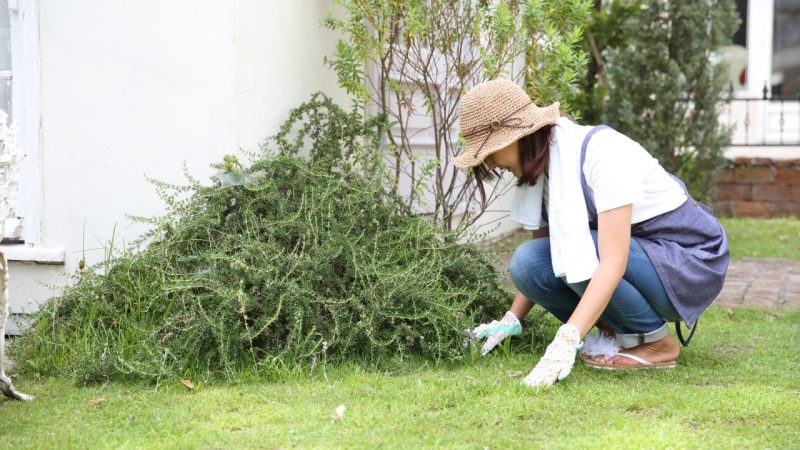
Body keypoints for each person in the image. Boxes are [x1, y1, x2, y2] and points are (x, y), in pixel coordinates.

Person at [454, 79, 729, 387]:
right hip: (644, 258)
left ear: (516, 136)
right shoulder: (546, 168)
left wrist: (566, 340)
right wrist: (512, 320)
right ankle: (619, 331)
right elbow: (540, 259)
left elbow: (611, 261)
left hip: (688, 262)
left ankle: (656, 344)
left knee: (576, 252)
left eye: (489, 152)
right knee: (527, 262)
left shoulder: (601, 154)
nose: (490, 163)